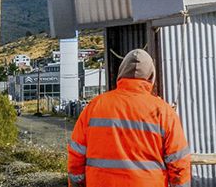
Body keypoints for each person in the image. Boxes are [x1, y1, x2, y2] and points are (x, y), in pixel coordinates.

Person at [66, 49, 191, 187]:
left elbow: (76, 157)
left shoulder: (94, 107)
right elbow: (179, 164)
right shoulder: (164, 112)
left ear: (121, 74)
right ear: (151, 77)